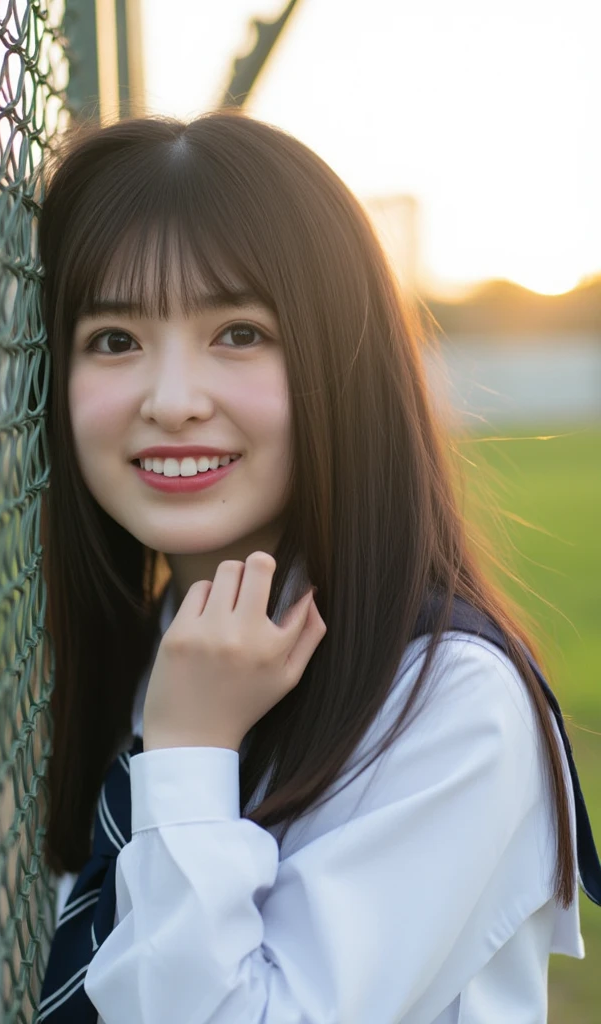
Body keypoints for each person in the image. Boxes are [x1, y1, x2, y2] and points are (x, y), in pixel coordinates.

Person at [34, 110, 598, 1023]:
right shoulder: (174, 648)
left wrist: (191, 756)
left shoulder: (451, 703)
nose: (173, 400)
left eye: (240, 333)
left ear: (343, 364)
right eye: (114, 340)